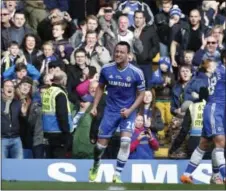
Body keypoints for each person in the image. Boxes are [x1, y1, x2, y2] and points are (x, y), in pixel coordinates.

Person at [89, 41, 145, 183]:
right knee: (99, 146)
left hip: (128, 111)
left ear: (128, 55)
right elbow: (100, 87)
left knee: (125, 142)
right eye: (116, 51)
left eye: (122, 52)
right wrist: (94, 106)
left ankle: (117, 174)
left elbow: (141, 94)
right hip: (110, 111)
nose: (118, 54)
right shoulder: (107, 69)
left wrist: (131, 110)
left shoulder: (136, 72)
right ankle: (96, 165)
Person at [180, 50, 226, 184]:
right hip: (215, 108)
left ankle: (186, 174)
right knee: (220, 142)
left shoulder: (218, 69)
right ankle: (223, 175)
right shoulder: (222, 71)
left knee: (204, 144)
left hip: (218, 109)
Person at [41, 70, 73, 158]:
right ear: (63, 80)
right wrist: (66, 132)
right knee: (59, 159)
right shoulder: (59, 93)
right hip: (59, 131)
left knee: (49, 158)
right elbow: (62, 114)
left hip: (47, 130)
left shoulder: (47, 91)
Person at [1, 80, 24, 159]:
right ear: (2, 89)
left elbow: (23, 120)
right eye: (7, 86)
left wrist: (24, 114)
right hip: (2, 139)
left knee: (19, 165)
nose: (9, 88)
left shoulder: (17, 103)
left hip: (16, 139)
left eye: (11, 86)